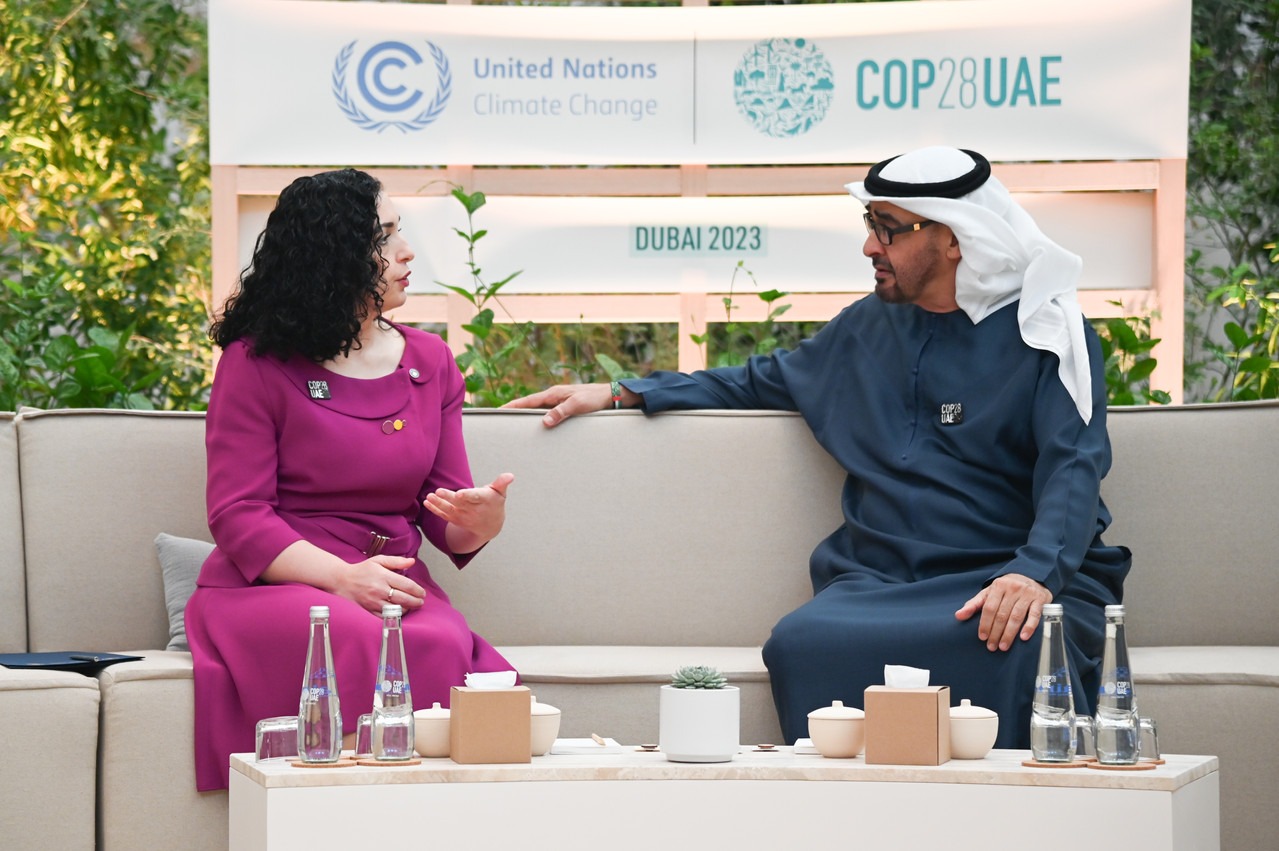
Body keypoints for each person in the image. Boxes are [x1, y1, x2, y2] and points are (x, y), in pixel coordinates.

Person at [505, 146, 1129, 748]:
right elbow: (758, 381)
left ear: (955, 238)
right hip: (881, 580)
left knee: (1018, 641)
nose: (870, 247)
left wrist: (1032, 573)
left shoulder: (1047, 333)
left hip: (1005, 572)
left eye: (888, 230)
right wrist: (621, 391)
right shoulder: (870, 326)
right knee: (801, 642)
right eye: (870, 224)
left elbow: (1073, 467)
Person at [187, 168, 516, 791]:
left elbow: (445, 516)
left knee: (440, 641)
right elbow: (237, 514)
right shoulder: (255, 362)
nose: (407, 252)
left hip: (390, 583)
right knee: (355, 634)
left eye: (400, 232)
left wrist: (482, 522)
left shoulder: (431, 361)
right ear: (333, 255)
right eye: (384, 237)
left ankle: (431, 820)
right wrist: (342, 577)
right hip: (281, 581)